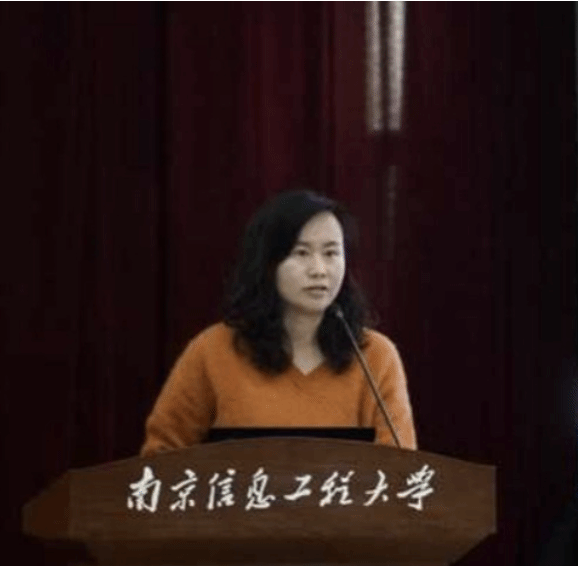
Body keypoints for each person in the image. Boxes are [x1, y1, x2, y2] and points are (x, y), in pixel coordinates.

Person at [140, 189, 416, 455]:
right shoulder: (212, 352)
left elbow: (401, 471)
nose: (319, 270)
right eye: (301, 253)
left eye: (331, 253)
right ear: (267, 263)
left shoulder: (375, 356)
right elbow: (160, 458)